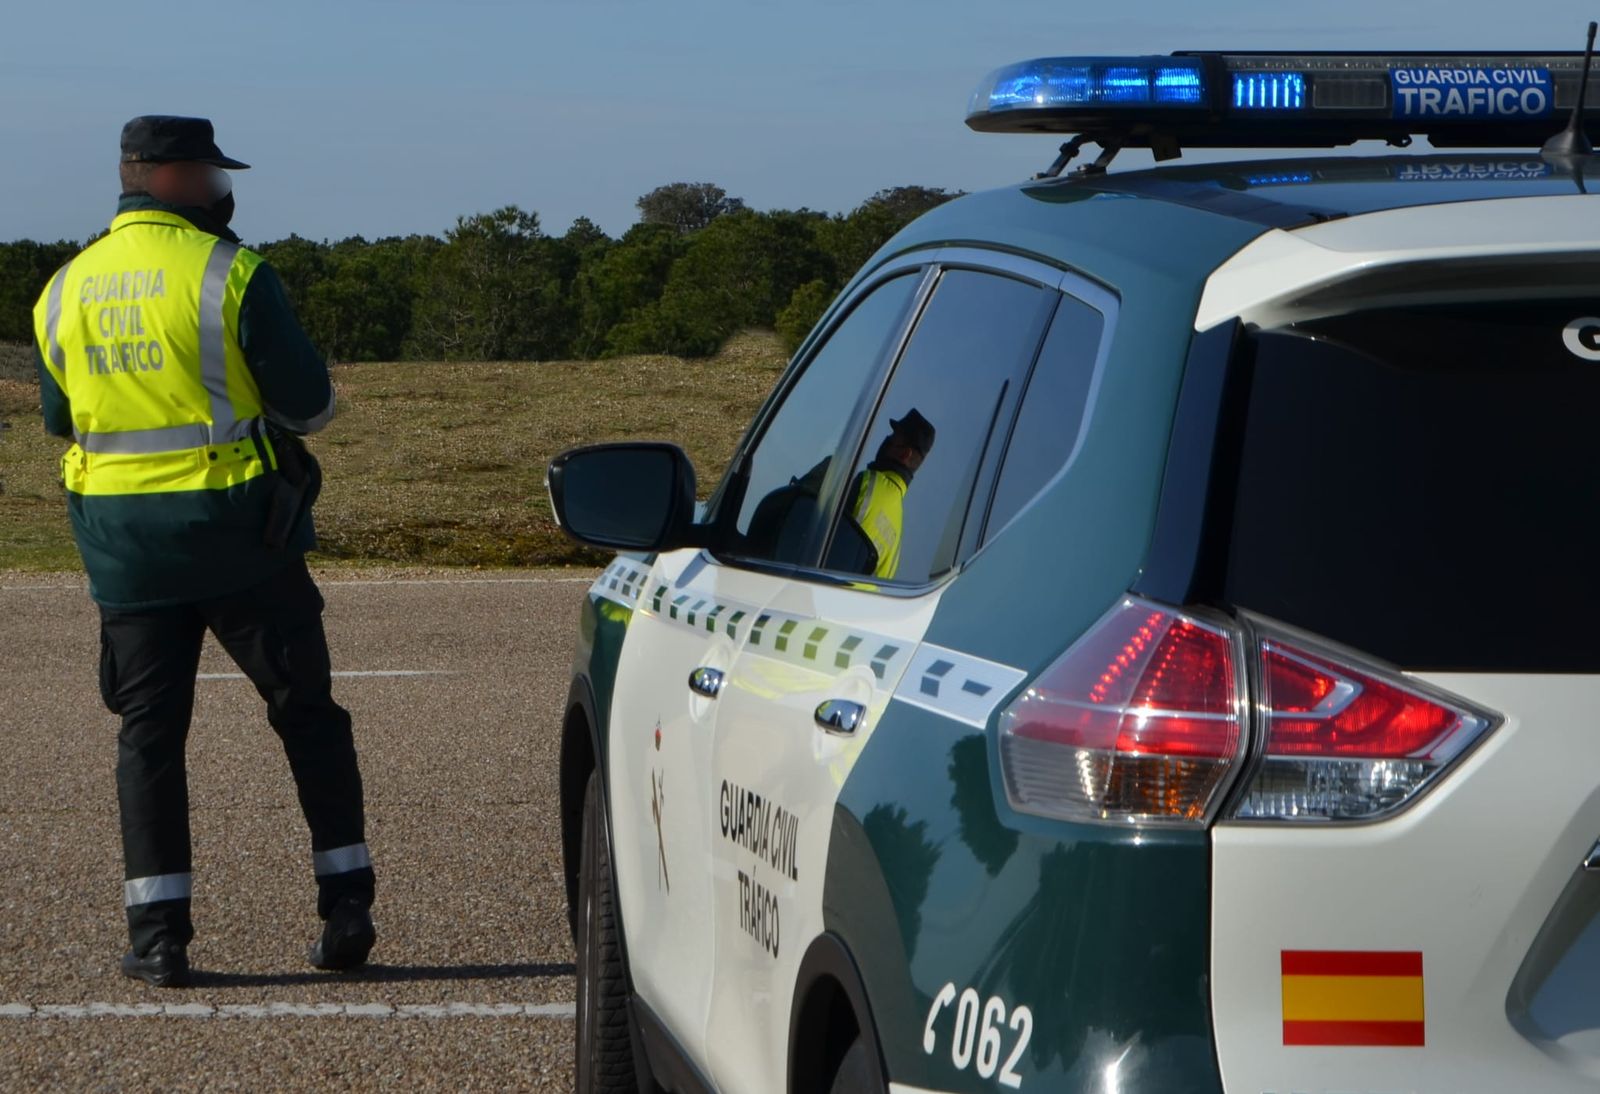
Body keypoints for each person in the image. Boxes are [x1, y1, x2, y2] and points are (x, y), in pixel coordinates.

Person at [30, 116, 376, 988]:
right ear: (175, 175)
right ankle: (347, 911)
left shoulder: (62, 289)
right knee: (308, 717)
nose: (225, 188)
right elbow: (310, 406)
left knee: (148, 736)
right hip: (241, 540)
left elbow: (59, 419)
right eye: (214, 171)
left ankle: (157, 936)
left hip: (123, 551)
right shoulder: (233, 273)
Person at [847, 409, 935, 580]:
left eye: (894, 437)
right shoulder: (897, 535)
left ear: (905, 453)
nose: (887, 440)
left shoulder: (868, 484)